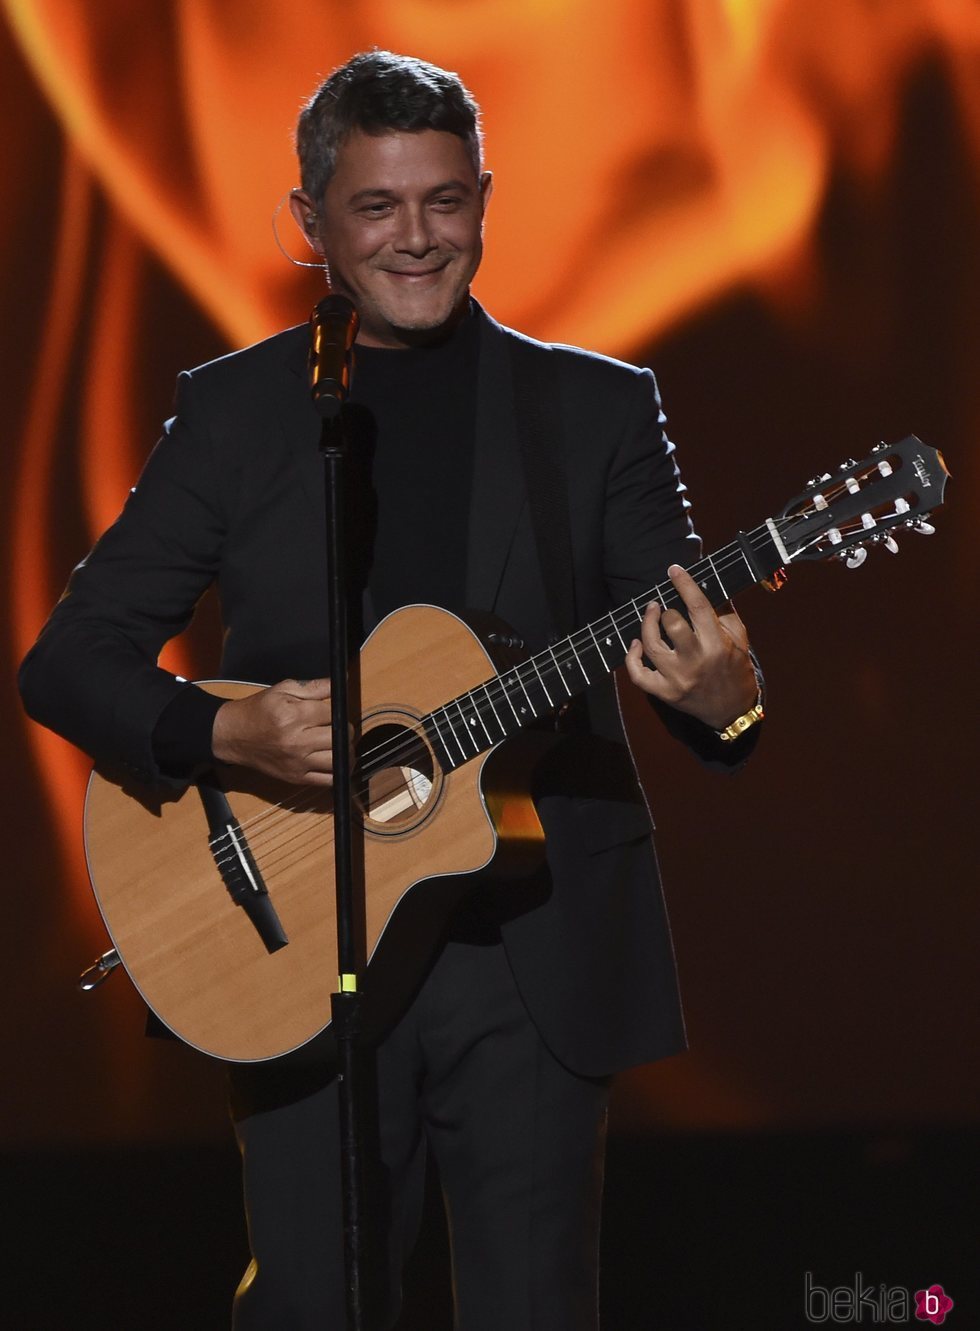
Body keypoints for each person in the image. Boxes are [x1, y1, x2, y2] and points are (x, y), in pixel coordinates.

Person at [19, 50, 762, 1330]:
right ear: (312, 223)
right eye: (377, 207)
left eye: (444, 202)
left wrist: (726, 696)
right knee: (313, 1304)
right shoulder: (242, 412)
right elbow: (67, 660)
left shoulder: (592, 409)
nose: (417, 238)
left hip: (529, 942)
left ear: (482, 198)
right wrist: (224, 726)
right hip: (297, 934)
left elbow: (696, 659)